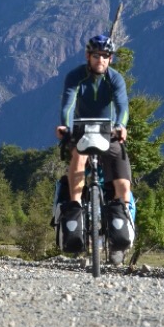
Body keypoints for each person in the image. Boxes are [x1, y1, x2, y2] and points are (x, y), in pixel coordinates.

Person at [56, 34, 133, 260]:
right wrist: (65, 127)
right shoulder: (75, 77)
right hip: (80, 132)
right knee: (78, 159)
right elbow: (68, 105)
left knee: (122, 180)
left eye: (105, 56)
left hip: (107, 134)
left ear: (110, 59)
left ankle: (121, 227)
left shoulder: (115, 79)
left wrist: (121, 126)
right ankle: (76, 208)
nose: (101, 60)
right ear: (88, 56)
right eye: (97, 55)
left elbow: (122, 107)